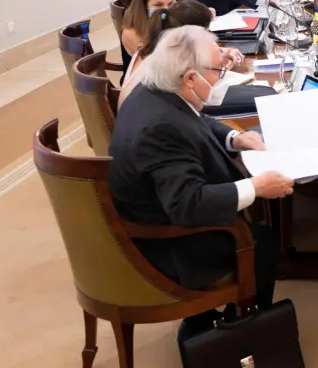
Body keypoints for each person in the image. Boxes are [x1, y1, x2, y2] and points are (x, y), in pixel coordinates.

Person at [108, 26, 293, 317]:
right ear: (190, 78)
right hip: (167, 244)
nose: (221, 75)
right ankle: (244, 324)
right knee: (264, 242)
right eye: (218, 70)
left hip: (156, 211)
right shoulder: (160, 128)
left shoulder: (154, 89)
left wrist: (235, 138)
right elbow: (187, 204)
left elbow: (195, 117)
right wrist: (256, 187)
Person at [119, 1, 233, 107]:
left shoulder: (161, 49)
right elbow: (200, 99)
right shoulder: (169, 64)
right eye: (206, 33)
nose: (209, 39)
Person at [120, 0, 178, 65]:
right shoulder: (131, 32)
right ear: (144, 5)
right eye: (158, 5)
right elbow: (157, 65)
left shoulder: (177, 20)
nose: (166, 10)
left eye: (171, 4)